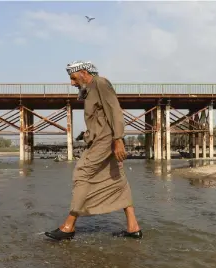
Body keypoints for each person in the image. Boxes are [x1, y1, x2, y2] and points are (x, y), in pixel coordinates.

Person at [44, 60, 142, 241]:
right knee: (117, 179)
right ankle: (133, 227)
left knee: (82, 174)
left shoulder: (101, 83)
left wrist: (118, 139)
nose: (72, 83)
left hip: (106, 140)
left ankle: (69, 226)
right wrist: (86, 134)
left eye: (73, 78)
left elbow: (115, 111)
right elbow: (99, 116)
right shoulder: (89, 90)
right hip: (99, 139)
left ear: (83, 72)